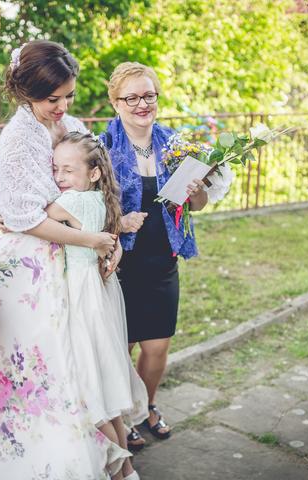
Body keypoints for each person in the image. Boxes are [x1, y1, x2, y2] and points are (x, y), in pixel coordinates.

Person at [0, 41, 122, 479]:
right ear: (26, 93)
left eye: (69, 96)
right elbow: (24, 218)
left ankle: (108, 448)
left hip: (77, 262)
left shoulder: (74, 127)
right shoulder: (17, 139)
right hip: (31, 267)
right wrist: (90, 239)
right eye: (52, 99)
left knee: (84, 363)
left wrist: (110, 239)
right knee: (42, 364)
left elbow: (97, 192)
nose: (62, 107)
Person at [101, 62, 226, 447]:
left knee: (157, 346)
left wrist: (198, 192)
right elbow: (86, 206)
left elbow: (197, 205)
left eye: (149, 96)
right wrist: (118, 222)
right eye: (132, 98)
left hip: (162, 258)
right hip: (120, 263)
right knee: (122, 347)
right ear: (116, 102)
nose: (142, 104)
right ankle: (124, 417)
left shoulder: (176, 144)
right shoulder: (102, 147)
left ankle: (148, 406)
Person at [45, 132, 149, 480]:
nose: (59, 177)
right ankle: (127, 472)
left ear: (93, 173)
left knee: (90, 394)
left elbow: (33, 218)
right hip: (97, 290)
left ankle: (117, 470)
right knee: (106, 398)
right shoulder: (99, 200)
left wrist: (7, 218)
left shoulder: (72, 201)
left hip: (80, 295)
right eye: (56, 169)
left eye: (68, 170)